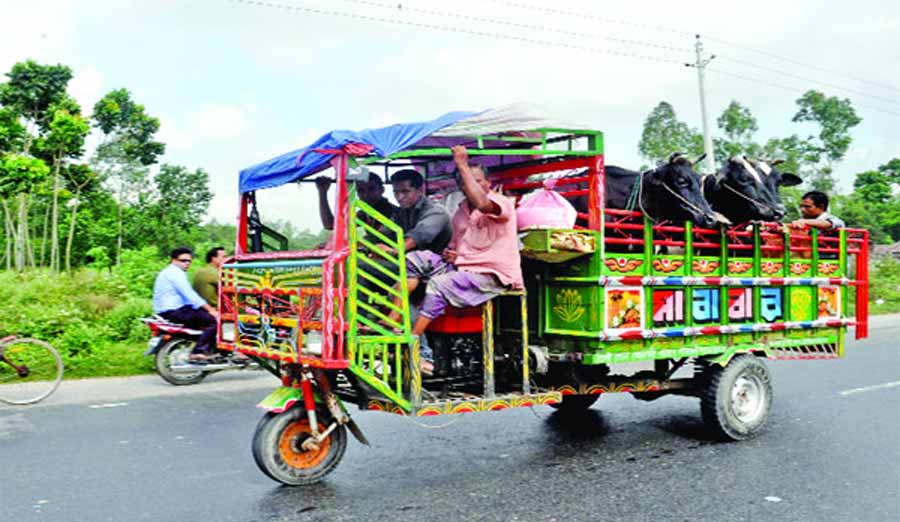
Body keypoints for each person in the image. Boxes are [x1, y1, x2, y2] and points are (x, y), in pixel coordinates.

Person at [393, 145, 523, 374]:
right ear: (460, 186)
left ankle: (413, 343)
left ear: (488, 183)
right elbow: (455, 247)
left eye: (477, 181)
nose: (471, 185)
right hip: (462, 268)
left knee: (438, 284)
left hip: (493, 275)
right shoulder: (460, 212)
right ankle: (392, 321)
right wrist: (451, 253)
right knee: (415, 259)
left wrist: (462, 163)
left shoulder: (501, 203)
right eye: (464, 182)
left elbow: (482, 204)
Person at [153, 247, 219, 362]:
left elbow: (188, 299)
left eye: (189, 261)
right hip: (174, 311)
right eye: (183, 260)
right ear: (173, 260)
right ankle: (198, 351)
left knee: (204, 316)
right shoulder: (175, 273)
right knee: (215, 320)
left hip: (170, 310)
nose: (187, 263)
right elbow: (190, 295)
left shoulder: (169, 272)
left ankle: (211, 350)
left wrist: (205, 308)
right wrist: (211, 310)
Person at [382, 169, 452, 255]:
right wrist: (376, 244)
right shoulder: (401, 212)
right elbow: (384, 233)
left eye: (405, 191)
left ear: (420, 190)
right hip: (410, 259)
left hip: (434, 261)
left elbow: (416, 237)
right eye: (396, 192)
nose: (399, 197)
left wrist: (393, 251)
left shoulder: (436, 212)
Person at [315, 170, 398, 231]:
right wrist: (322, 192)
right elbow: (330, 225)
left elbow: (380, 237)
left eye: (371, 189)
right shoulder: (364, 213)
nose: (366, 194)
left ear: (382, 190)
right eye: (361, 190)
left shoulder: (392, 211)